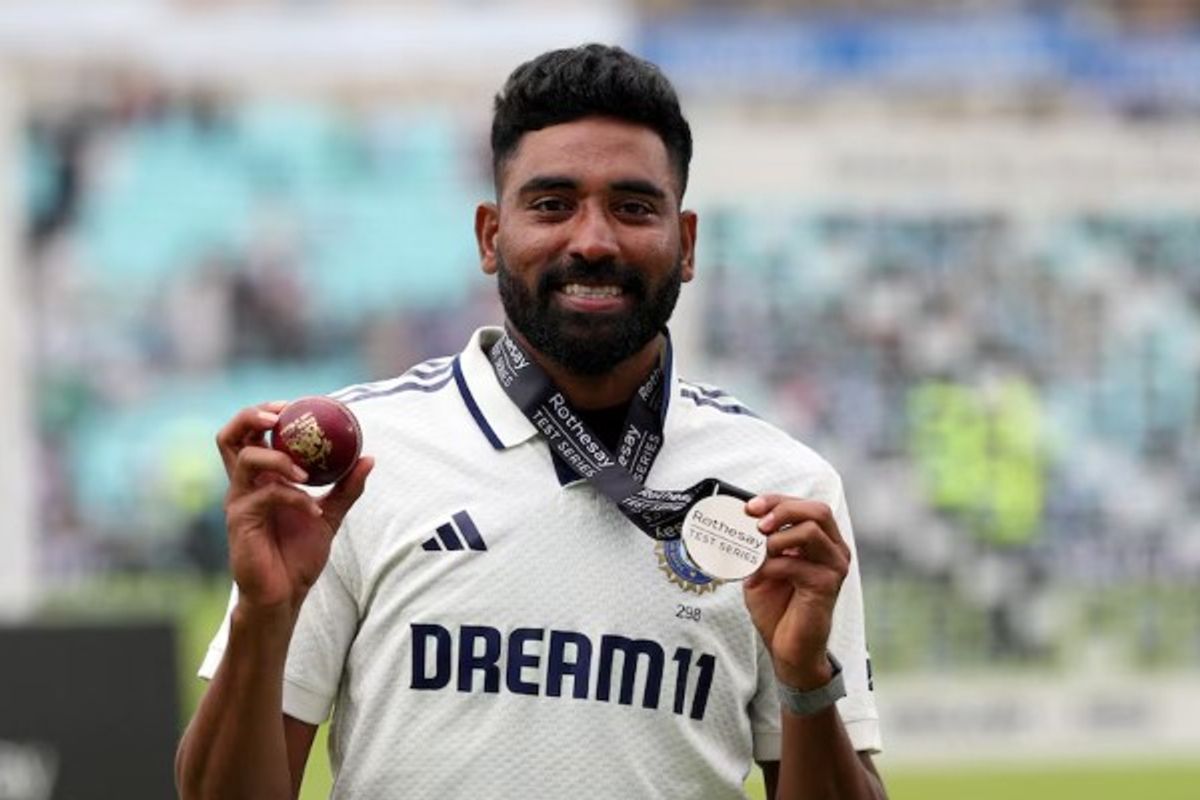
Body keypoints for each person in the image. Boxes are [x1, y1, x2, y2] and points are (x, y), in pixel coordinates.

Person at [176, 44, 886, 800]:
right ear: (490, 235)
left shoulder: (781, 491)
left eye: (634, 207)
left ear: (687, 245)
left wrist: (806, 679)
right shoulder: (359, 466)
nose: (592, 240)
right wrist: (263, 614)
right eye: (551, 204)